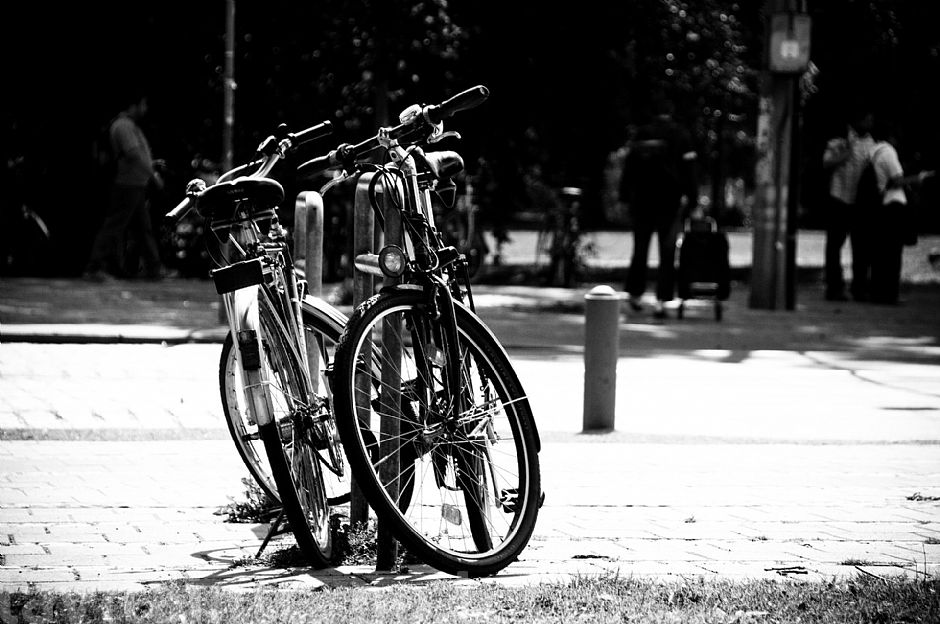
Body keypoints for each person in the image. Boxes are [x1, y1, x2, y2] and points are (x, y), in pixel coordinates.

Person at [619, 100, 698, 319]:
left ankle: (634, 294)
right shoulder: (680, 135)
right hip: (669, 201)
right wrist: (692, 200)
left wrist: (624, 196)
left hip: (642, 200)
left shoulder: (642, 133)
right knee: (667, 252)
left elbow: (630, 166)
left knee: (640, 249)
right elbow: (689, 170)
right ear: (671, 113)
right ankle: (662, 300)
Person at [84, 90, 167, 281]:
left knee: (142, 228)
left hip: (135, 183)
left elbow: (137, 155)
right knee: (115, 226)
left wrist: (151, 165)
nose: (145, 109)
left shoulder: (129, 125)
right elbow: (133, 154)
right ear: (133, 105)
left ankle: (153, 268)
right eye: (143, 105)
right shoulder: (123, 126)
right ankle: (94, 266)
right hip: (127, 184)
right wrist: (153, 175)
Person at [821, 109, 876, 301]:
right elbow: (827, 163)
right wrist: (847, 151)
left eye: (871, 120)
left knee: (861, 247)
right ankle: (834, 286)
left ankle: (859, 287)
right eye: (865, 119)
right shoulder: (838, 142)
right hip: (839, 198)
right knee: (834, 246)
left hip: (860, 202)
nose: (869, 123)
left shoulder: (873, 145)